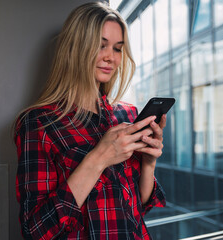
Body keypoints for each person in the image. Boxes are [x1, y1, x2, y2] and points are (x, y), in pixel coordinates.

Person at [14, 2, 166, 239]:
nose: (111, 58)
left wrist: (148, 163)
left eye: (117, 48)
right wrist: (99, 158)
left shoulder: (126, 115)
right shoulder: (39, 123)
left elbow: (138, 209)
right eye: (100, 45)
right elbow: (35, 231)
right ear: (76, 47)